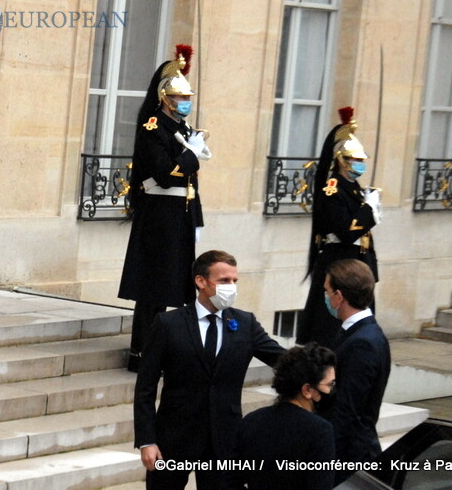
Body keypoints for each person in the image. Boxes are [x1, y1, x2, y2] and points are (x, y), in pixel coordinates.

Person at [133, 250, 284, 490]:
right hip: (173, 438)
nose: (231, 286)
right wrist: (146, 440)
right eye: (224, 281)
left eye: (234, 281)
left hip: (223, 439)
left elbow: (284, 360)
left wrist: (326, 365)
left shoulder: (245, 324)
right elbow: (145, 387)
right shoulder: (168, 324)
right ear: (201, 281)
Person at [118, 44, 212, 372]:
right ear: (165, 98)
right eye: (180, 98)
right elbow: (166, 173)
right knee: (154, 287)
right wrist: (191, 155)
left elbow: (189, 183)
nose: (186, 103)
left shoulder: (181, 129)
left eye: (188, 98)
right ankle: (141, 354)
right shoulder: (154, 126)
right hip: (159, 213)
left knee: (173, 286)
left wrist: (196, 218)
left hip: (179, 215)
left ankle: (159, 350)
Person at [297, 107, 381, 347]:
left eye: (361, 160)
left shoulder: (353, 187)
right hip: (341, 259)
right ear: (342, 161)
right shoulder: (332, 189)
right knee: (331, 327)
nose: (359, 164)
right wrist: (369, 210)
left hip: (357, 261)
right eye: (355, 160)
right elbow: (347, 231)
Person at [223, 343, 337, 490]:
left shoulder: (252, 420)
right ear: (307, 390)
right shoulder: (320, 431)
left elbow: (230, 481)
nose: (333, 390)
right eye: (330, 384)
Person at [323, 258, 391, 486]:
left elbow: (347, 409)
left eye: (327, 291)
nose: (326, 297)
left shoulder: (363, 342)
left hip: (350, 458)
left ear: (339, 297)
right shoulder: (357, 332)